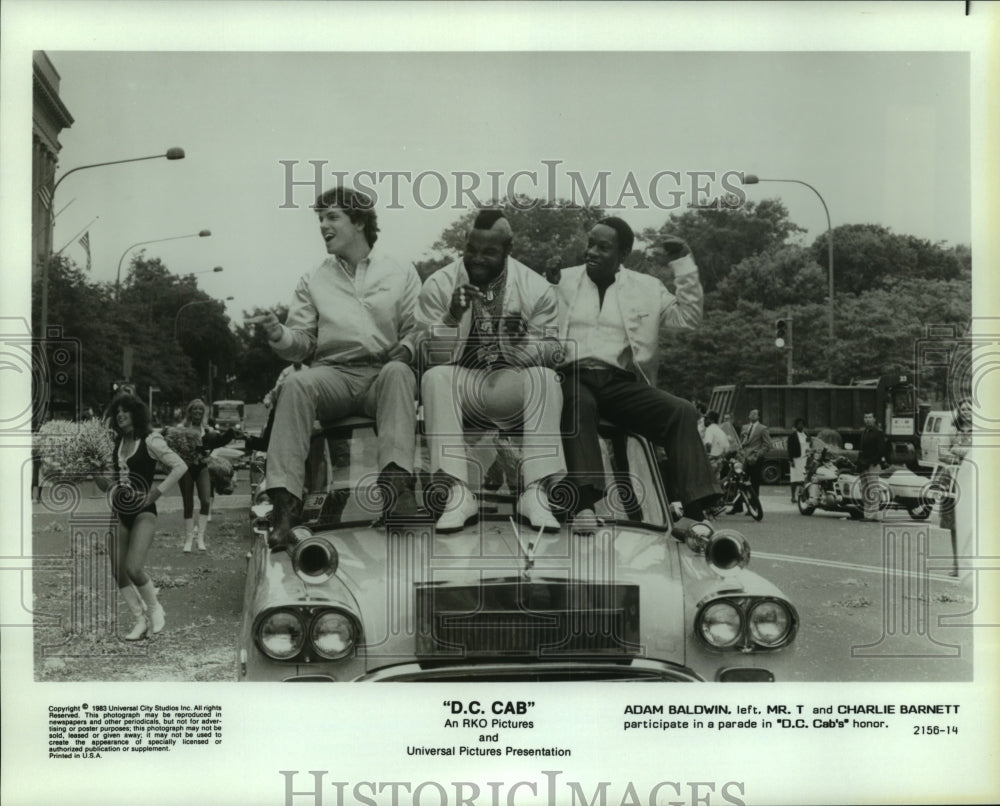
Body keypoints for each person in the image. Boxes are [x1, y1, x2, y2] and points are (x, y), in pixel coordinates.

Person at [246, 186, 422, 551]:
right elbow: (304, 342)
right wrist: (279, 334)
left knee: (400, 373)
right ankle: (285, 509)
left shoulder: (401, 271)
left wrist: (404, 350)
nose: (323, 225)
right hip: (333, 376)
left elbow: (417, 328)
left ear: (359, 221)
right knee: (295, 385)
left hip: (381, 372)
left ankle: (397, 492)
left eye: (332, 217)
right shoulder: (313, 278)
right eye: (320, 219)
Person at [555, 218, 720, 526]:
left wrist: (683, 264)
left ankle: (696, 513)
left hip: (619, 382)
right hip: (571, 376)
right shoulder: (560, 280)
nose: (591, 252)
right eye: (590, 244)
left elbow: (689, 317)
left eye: (603, 247)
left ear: (623, 253)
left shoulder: (647, 287)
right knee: (580, 404)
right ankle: (585, 506)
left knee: (681, 412)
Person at [415, 209, 565, 532]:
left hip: (511, 385)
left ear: (508, 249)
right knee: (435, 378)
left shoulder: (536, 288)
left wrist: (523, 340)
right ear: (465, 244)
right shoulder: (439, 285)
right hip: (463, 386)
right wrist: (451, 317)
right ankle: (457, 492)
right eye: (471, 250)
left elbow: (556, 353)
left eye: (489, 252)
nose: (477, 259)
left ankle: (535, 492)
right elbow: (428, 358)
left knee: (546, 379)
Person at [96, 394, 187, 640]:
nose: (120, 415)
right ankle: (140, 619)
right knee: (118, 571)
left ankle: (156, 608)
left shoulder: (151, 440)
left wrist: (156, 493)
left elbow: (180, 466)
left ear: (136, 414)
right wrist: (94, 470)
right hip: (119, 511)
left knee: (134, 568)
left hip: (143, 511)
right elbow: (109, 486)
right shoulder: (115, 444)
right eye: (117, 412)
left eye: (125, 411)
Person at [174, 398, 236, 552]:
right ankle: (188, 539)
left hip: (202, 467)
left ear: (203, 413)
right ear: (190, 411)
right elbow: (174, 447)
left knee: (206, 501)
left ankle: (200, 538)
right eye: (194, 409)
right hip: (186, 468)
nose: (197, 412)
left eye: (200, 410)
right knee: (188, 503)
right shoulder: (181, 428)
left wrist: (232, 434)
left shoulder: (208, 430)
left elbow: (217, 443)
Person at [939, 397, 973, 576]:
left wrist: (957, 450)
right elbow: (941, 452)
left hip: (974, 481)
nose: (966, 411)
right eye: (963, 409)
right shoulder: (952, 430)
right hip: (953, 482)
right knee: (955, 526)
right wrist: (962, 456)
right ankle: (957, 564)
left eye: (969, 408)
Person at [857, 411, 890, 521]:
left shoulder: (878, 433)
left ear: (874, 419)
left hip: (872, 465)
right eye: (865, 417)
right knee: (865, 489)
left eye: (870, 417)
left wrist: (872, 461)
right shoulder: (864, 432)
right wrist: (859, 462)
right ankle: (867, 515)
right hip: (863, 465)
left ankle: (873, 515)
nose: (867, 419)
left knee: (873, 489)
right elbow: (861, 450)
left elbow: (881, 451)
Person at [735, 408, 771, 510]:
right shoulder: (745, 427)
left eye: (754, 414)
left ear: (758, 416)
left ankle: (754, 506)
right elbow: (740, 442)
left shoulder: (762, 428)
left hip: (755, 459)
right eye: (750, 413)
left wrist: (758, 454)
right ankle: (738, 506)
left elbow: (767, 445)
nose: (751, 415)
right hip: (744, 458)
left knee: (754, 484)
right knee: (740, 481)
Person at [787, 417, 811, 503]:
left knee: (803, 479)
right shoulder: (793, 436)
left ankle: (802, 496)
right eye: (798, 424)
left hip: (805, 460)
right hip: (796, 460)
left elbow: (809, 446)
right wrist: (791, 460)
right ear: (796, 426)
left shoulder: (806, 435)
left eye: (801, 424)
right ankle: (793, 496)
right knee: (794, 478)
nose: (800, 426)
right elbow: (789, 449)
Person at [702, 410, 730, 476]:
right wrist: (719, 457)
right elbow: (727, 449)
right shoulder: (721, 432)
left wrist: (708, 456)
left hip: (709, 462)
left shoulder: (710, 429)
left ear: (712, 420)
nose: (704, 420)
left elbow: (708, 444)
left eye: (706, 418)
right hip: (719, 463)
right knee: (714, 484)